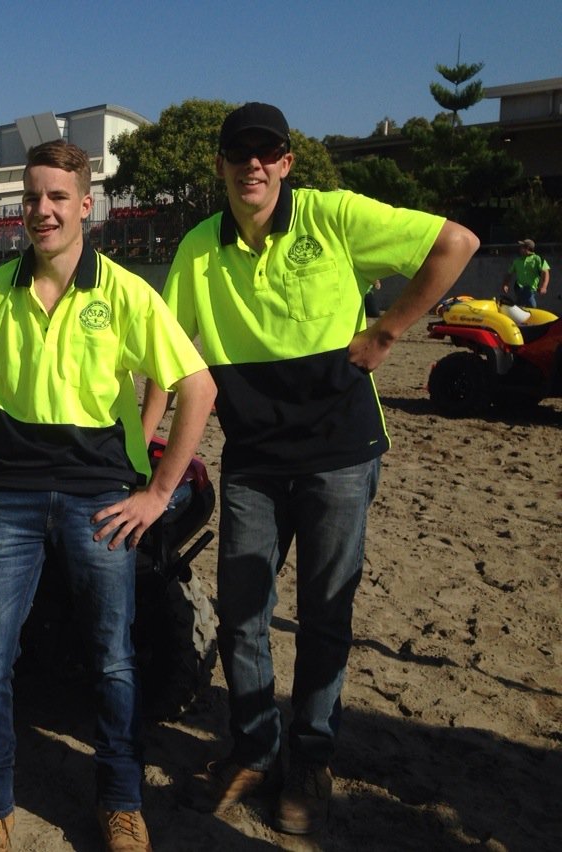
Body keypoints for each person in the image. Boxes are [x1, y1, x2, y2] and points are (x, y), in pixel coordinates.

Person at [144, 102, 479, 836]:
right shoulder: (199, 247)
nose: (253, 165)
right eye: (240, 153)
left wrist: (388, 330)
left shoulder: (333, 217)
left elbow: (456, 243)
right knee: (243, 615)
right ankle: (255, 750)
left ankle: (312, 760)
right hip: (254, 459)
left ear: (287, 163)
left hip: (339, 455)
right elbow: (169, 355)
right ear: (221, 165)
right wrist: (143, 446)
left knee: (327, 614)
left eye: (267, 152)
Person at [0, 140, 216, 852]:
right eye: (31, 197)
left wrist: (158, 493)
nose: (41, 210)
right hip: (10, 499)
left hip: (98, 499)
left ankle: (122, 804)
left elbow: (197, 387)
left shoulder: (125, 292)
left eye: (56, 197)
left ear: (84, 204)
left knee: (113, 662)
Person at [501, 239, 550, 308]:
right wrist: (505, 284)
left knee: (527, 305)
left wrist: (544, 287)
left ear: (527, 248)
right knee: (529, 304)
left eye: (521, 247)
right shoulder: (517, 261)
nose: (519, 249)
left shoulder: (538, 259)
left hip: (531, 289)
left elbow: (545, 272)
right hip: (519, 288)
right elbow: (509, 273)